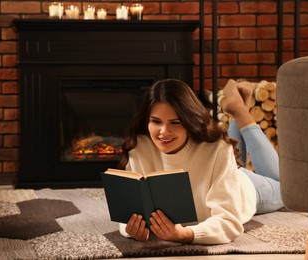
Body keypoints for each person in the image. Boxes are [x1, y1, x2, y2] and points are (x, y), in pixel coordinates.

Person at [117, 78, 284, 244]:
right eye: (156, 121)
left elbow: (229, 222)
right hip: (225, 169)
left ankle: (240, 111)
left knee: (287, 188)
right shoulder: (140, 148)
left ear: (189, 121)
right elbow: (128, 215)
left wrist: (185, 234)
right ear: (147, 121)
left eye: (175, 123)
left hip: (244, 187)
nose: (163, 132)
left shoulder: (217, 149)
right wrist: (131, 229)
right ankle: (240, 108)